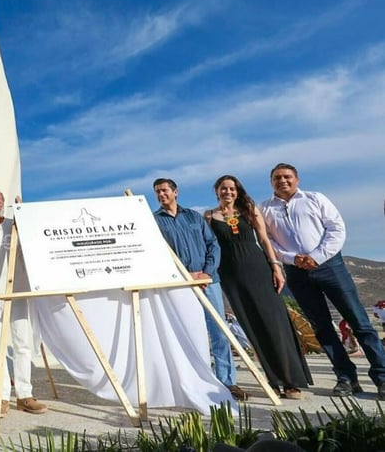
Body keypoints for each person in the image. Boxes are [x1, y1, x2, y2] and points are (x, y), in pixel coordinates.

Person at [260, 163, 385, 399]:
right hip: (296, 272)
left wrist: (316, 257)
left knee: (359, 321)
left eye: (287, 177)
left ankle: (382, 376)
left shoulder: (315, 198)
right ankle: (346, 377)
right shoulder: (265, 209)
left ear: (296, 179)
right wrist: (292, 258)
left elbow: (336, 228)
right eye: (277, 178)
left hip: (330, 266)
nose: (282, 181)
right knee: (322, 328)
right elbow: (267, 242)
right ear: (271, 182)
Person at [205, 175, 311, 399]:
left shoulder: (249, 210)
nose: (228, 192)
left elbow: (264, 240)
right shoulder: (208, 217)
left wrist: (275, 267)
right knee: (252, 328)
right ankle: (271, 380)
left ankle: (292, 381)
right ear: (216, 191)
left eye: (232, 188)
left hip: (258, 269)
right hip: (231, 277)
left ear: (237, 190)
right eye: (223, 189)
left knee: (275, 322)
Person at [152, 178, 247, 401]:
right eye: (157, 192)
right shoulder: (154, 222)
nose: (161, 195)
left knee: (219, 331)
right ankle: (197, 382)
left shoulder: (195, 217)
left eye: (165, 190)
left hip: (208, 281)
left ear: (175, 192)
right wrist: (186, 275)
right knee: (189, 333)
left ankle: (227, 381)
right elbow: (159, 253)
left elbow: (212, 244)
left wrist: (206, 271)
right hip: (180, 285)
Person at [0, 188, 46, 416]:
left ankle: (24, 395)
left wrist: (23, 212)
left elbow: (34, 239)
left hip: (17, 289)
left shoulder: (15, 223)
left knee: (22, 343)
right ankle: (1, 396)